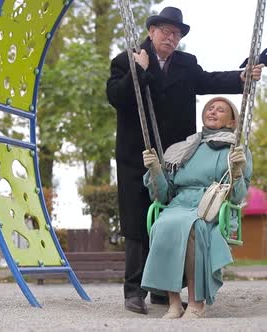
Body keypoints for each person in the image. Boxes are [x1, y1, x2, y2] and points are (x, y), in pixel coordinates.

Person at [105, 6, 263, 314]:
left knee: (173, 218)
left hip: (176, 157)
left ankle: (165, 292)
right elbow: (116, 97)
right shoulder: (126, 60)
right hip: (138, 154)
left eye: (176, 33)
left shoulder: (186, 64)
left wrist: (242, 77)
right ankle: (134, 291)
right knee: (138, 221)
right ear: (151, 32)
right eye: (165, 30)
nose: (171, 37)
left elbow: (209, 82)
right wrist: (139, 69)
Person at [141, 96, 252, 319]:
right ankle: (173, 303)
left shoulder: (235, 151)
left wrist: (238, 171)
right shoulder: (184, 149)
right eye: (210, 108)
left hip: (209, 206)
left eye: (220, 110)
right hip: (178, 203)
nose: (212, 111)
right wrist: (155, 170)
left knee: (193, 228)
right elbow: (164, 194)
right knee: (162, 225)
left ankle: (195, 302)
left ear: (231, 123)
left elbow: (237, 196)